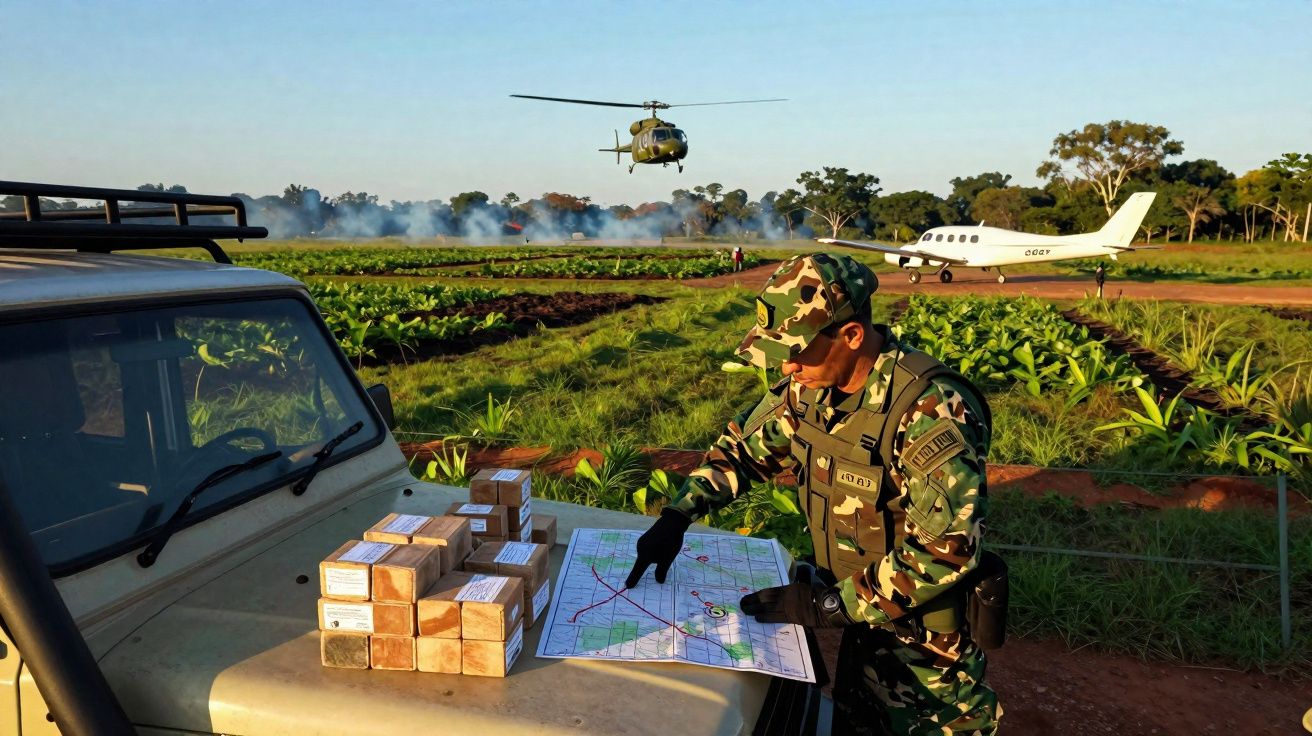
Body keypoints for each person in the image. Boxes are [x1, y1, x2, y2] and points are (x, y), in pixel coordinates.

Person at [625, 253, 1001, 735]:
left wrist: (828, 606)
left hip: (925, 650)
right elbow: (743, 450)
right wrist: (678, 515)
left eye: (796, 351)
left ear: (852, 335)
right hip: (857, 623)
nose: (786, 366)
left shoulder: (931, 409)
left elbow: (947, 549)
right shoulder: (809, 389)